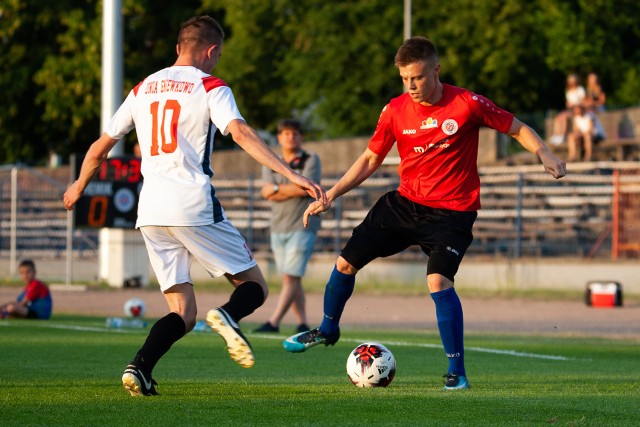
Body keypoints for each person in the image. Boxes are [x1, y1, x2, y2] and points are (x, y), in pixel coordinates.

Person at [282, 36, 566, 390]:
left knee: (437, 281)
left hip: (452, 213)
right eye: (404, 78)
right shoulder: (395, 110)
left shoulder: (466, 103)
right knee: (344, 263)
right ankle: (326, 329)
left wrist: (545, 154)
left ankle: (456, 372)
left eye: (416, 77)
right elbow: (371, 158)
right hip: (404, 204)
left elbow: (517, 128)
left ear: (436, 69)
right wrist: (332, 194)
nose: (411, 86)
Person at [63, 15, 325, 397]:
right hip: (192, 205)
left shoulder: (143, 88)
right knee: (254, 287)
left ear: (176, 48)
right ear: (212, 51)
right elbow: (240, 132)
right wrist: (292, 174)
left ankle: (139, 368)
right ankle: (227, 315)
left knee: (182, 313)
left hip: (150, 212)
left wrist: (78, 185)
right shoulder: (211, 86)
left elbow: (101, 146)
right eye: (217, 56)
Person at [253, 119, 321, 334]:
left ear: (300, 137)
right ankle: (302, 323)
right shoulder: (271, 160)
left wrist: (276, 189)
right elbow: (265, 192)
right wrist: (290, 186)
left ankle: (273, 322)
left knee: (291, 276)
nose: (291, 137)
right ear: (280, 137)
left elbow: (306, 189)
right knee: (290, 277)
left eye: (295, 133)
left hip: (303, 225)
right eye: (287, 134)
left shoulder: (311, 159)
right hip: (278, 226)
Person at [549, 74, 586, 146]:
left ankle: (562, 135)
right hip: (571, 109)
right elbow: (568, 104)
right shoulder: (568, 91)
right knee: (558, 117)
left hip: (578, 109)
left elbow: (583, 101)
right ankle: (557, 135)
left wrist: (574, 104)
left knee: (564, 117)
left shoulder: (580, 89)